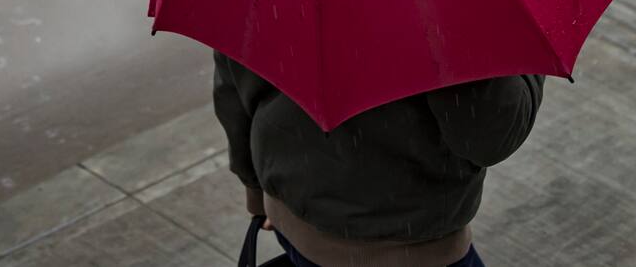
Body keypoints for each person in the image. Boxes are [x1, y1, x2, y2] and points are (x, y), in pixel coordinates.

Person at [213, 50, 546, 267]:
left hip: (294, 212)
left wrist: (257, 192)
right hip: (412, 245)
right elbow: (490, 135)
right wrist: (530, 49)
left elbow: (232, 72)